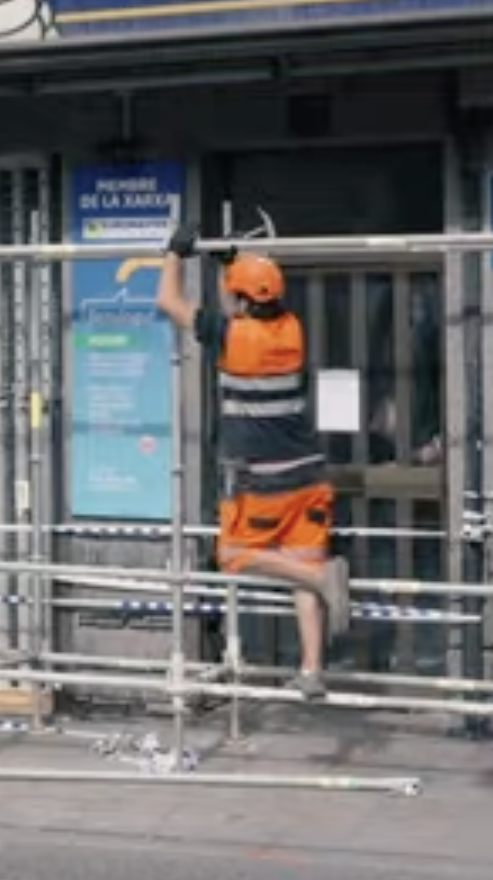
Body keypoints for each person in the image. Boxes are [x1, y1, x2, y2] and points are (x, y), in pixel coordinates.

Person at [155, 221, 351, 700]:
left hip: (264, 482)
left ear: (241, 303)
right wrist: (229, 262)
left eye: (233, 296)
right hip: (309, 475)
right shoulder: (291, 329)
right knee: (300, 562)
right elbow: (242, 299)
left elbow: (168, 301)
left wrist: (175, 254)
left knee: (234, 556)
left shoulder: (231, 336)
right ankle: (311, 671)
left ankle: (323, 578)